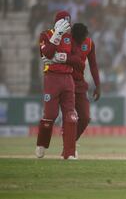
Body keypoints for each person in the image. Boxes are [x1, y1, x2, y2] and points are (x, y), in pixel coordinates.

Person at [43, 23, 101, 155]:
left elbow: (93, 65)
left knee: (85, 118)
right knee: (68, 116)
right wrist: (73, 60)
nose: (80, 42)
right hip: (64, 80)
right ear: (72, 35)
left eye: (82, 39)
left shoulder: (90, 44)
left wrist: (98, 85)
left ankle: (70, 142)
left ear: (86, 36)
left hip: (80, 84)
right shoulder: (66, 40)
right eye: (77, 39)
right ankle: (67, 149)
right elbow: (52, 55)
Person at [35, 11, 77, 159]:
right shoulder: (45, 35)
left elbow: (77, 59)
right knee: (50, 115)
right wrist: (57, 35)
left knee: (71, 116)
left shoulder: (72, 38)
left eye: (68, 24)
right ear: (58, 23)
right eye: (64, 24)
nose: (68, 27)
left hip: (68, 78)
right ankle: (42, 143)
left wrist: (60, 57)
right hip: (52, 79)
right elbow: (47, 52)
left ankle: (69, 151)